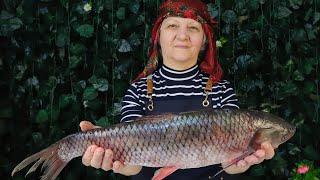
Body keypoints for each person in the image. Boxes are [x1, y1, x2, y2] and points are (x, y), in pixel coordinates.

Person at [79, 0, 275, 179]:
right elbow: (133, 165)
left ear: (204, 41)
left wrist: (241, 163)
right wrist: (113, 159)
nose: (183, 35)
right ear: (158, 36)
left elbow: (229, 162)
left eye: (193, 28)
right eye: (172, 26)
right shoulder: (138, 90)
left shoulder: (220, 89)